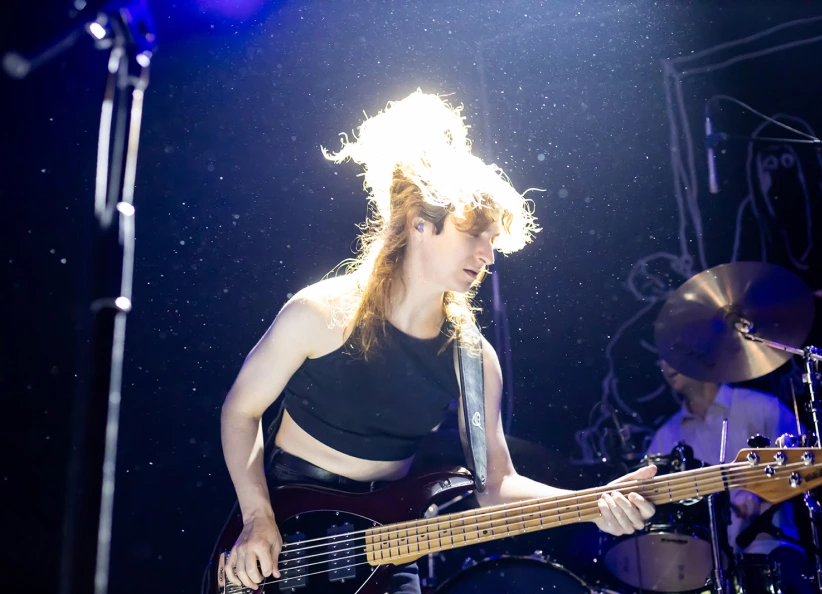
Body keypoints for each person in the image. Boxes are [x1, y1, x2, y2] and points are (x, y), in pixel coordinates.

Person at [219, 89, 658, 592]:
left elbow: (495, 485)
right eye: (475, 235)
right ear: (421, 224)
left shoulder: (472, 357)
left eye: (495, 242)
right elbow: (241, 410)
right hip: (288, 538)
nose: (488, 256)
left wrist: (592, 504)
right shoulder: (319, 313)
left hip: (387, 546)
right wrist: (257, 516)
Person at [647, 358, 815, 594]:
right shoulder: (664, 437)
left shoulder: (763, 408)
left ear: (701, 352)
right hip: (699, 566)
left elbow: (808, 461)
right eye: (660, 359)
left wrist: (759, 495)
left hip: (768, 549)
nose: (665, 365)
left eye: (672, 354)